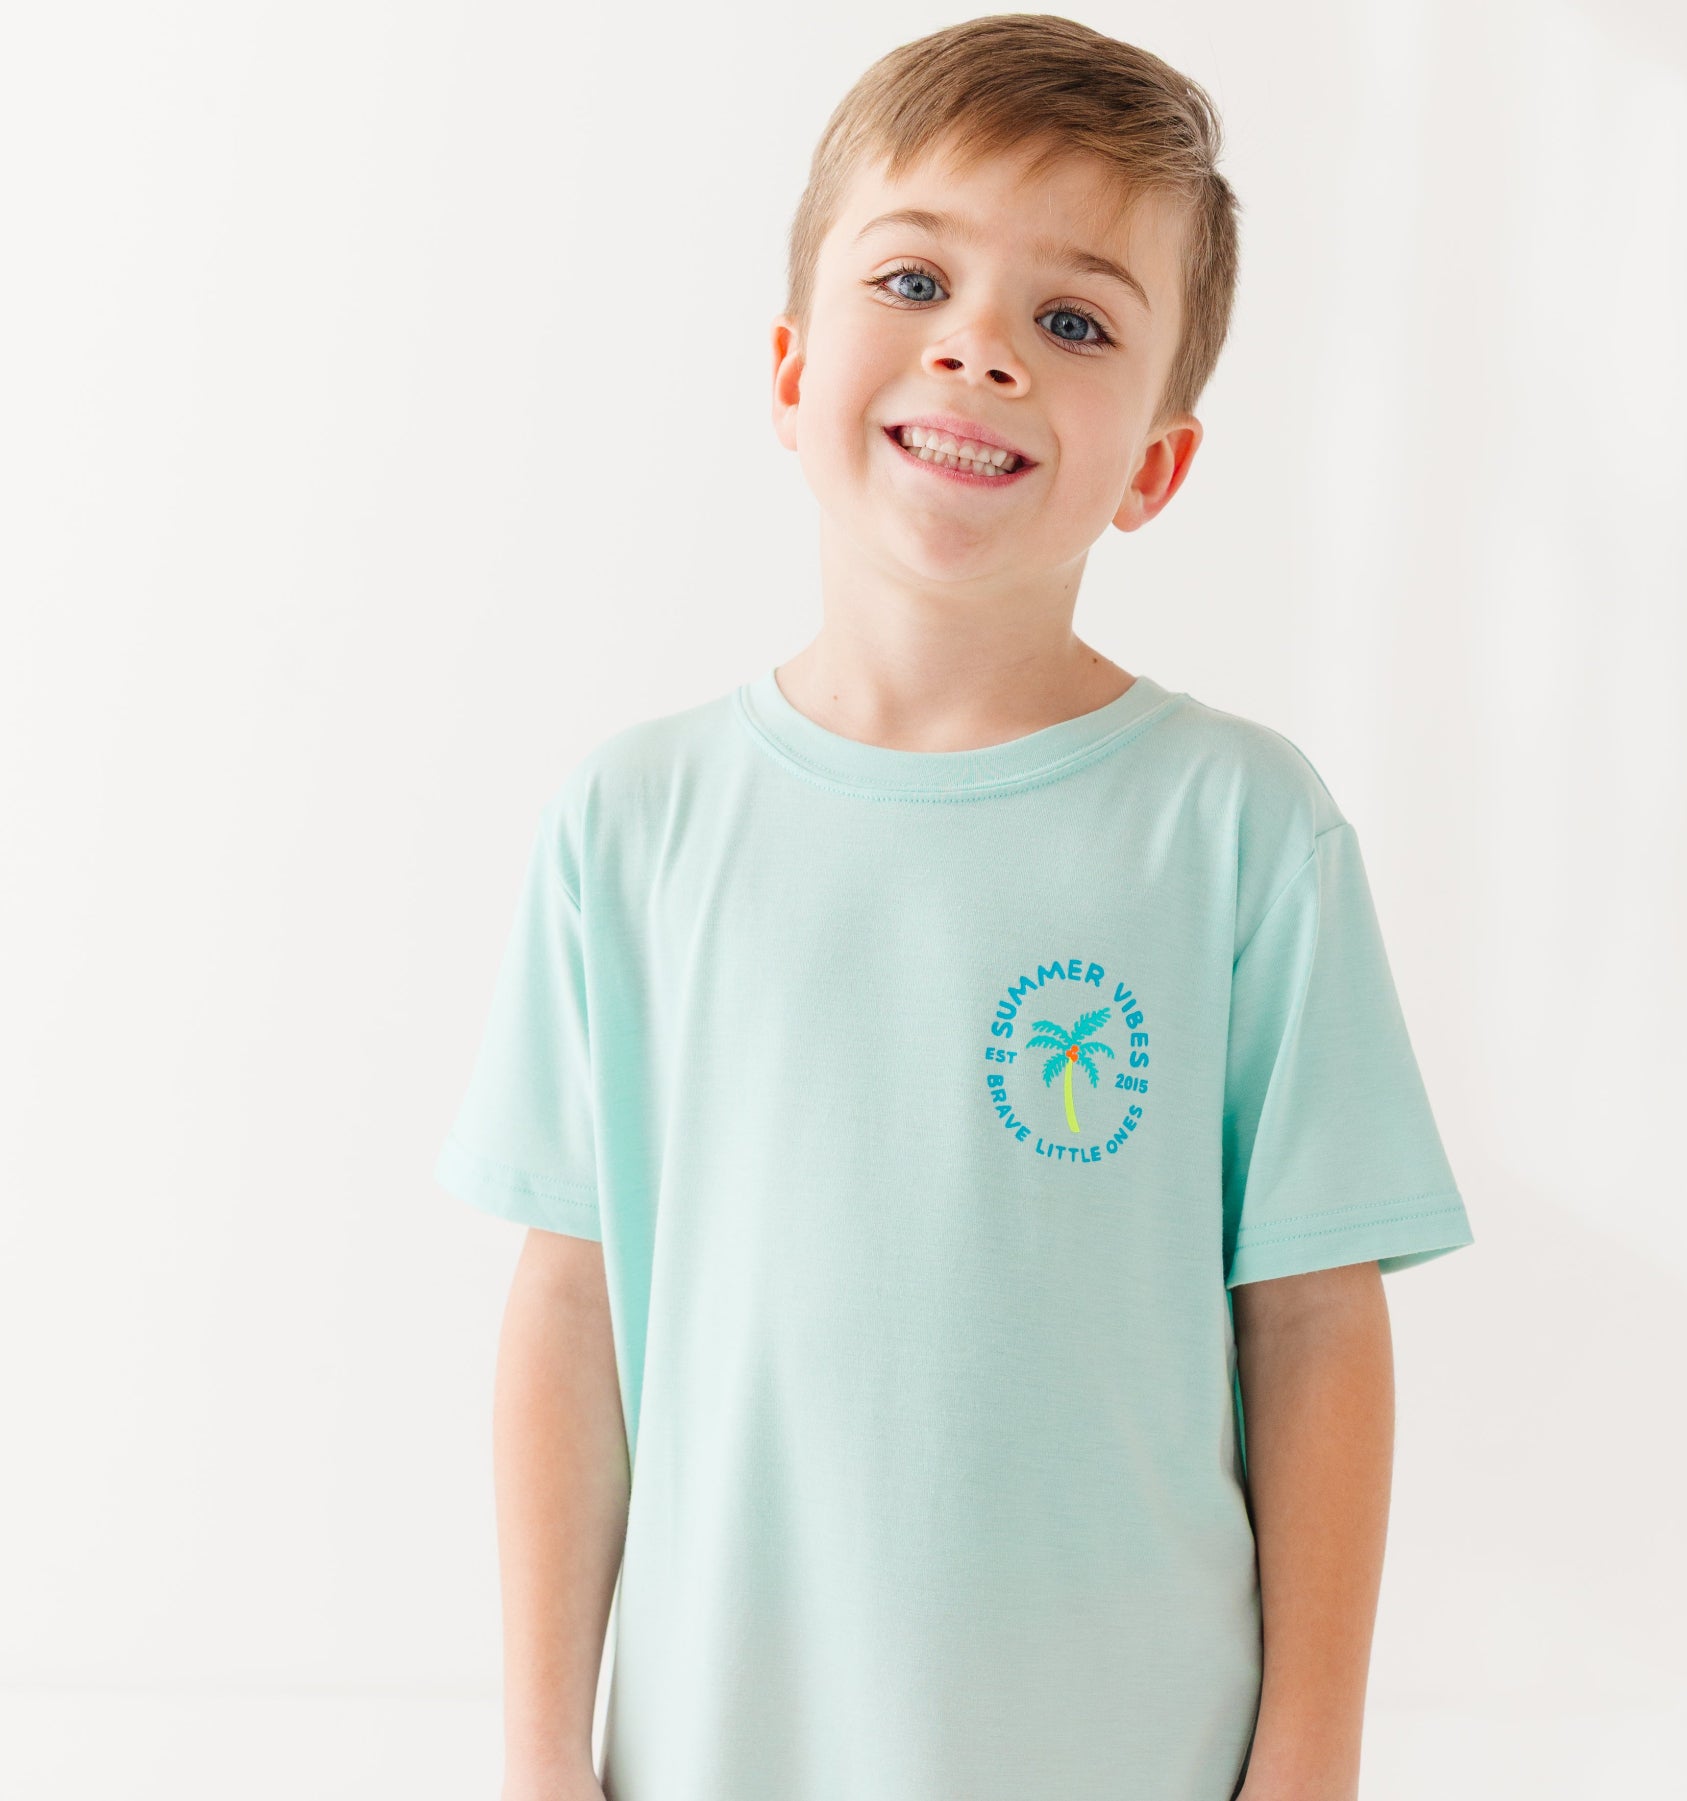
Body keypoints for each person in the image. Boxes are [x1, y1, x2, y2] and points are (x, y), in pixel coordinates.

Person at [434, 16, 1475, 1801]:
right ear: (788, 366)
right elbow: (569, 1311)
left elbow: (1313, 1326)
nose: (979, 348)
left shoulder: (1238, 832)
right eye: (915, 276)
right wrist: (539, 1753)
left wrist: (1310, 1758)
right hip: (723, 1754)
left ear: (1154, 462)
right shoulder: (635, 823)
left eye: (1073, 322)